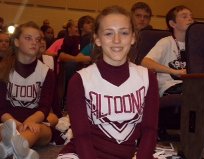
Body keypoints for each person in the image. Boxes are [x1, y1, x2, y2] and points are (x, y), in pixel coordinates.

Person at [57, 5, 159, 159]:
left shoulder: (147, 77)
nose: (117, 40)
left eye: (124, 33)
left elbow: (149, 130)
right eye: (109, 33)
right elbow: (82, 136)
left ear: (133, 38)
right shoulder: (80, 80)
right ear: (97, 39)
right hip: (83, 154)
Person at [0, 21, 63, 159]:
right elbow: (1, 107)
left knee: (35, 130)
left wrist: (30, 121)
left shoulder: (47, 72)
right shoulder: (3, 69)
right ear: (16, 42)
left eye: (38, 39)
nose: (34, 42)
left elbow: (45, 107)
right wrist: (12, 123)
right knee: (5, 129)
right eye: (28, 38)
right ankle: (17, 150)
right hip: (9, 121)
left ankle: (8, 148)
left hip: (37, 122)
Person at [141, 5, 194, 97]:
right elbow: (145, 62)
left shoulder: (195, 45)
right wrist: (175, 72)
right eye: (184, 16)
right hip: (170, 86)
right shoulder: (166, 42)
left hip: (192, 85)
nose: (190, 19)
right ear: (173, 24)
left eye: (191, 17)